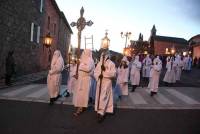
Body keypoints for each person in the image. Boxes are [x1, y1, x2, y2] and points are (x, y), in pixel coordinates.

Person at [94, 51, 116, 123]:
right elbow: (95, 72)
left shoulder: (111, 64)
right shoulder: (99, 63)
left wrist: (105, 71)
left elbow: (113, 74)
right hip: (100, 82)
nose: (103, 57)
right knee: (99, 96)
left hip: (107, 82)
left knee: (103, 97)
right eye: (102, 55)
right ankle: (99, 109)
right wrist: (98, 76)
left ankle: (101, 112)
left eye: (104, 55)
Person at [73, 49, 95, 116]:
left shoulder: (90, 60)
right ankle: (80, 106)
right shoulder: (83, 60)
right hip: (81, 80)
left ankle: (80, 108)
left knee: (83, 95)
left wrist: (81, 65)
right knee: (80, 94)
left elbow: (88, 69)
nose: (83, 53)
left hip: (85, 80)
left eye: (84, 52)